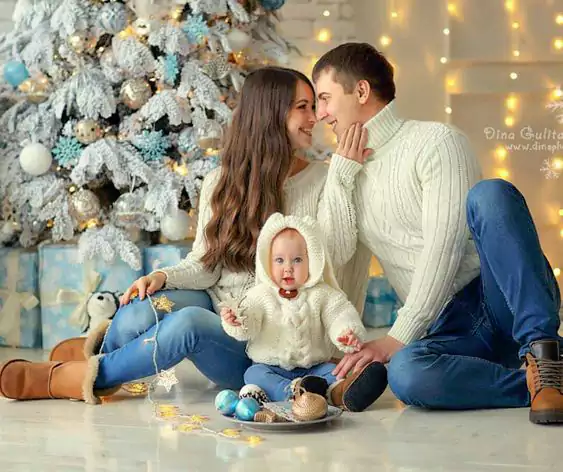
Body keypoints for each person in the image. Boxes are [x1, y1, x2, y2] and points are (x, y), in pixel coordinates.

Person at [0, 66, 374, 405]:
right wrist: (163, 277)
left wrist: (342, 173)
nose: (314, 118)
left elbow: (336, 256)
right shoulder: (221, 182)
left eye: (313, 106)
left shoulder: (325, 180)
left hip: (260, 346)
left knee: (188, 323)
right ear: (271, 114)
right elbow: (207, 265)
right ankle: (104, 362)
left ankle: (70, 377)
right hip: (219, 303)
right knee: (137, 311)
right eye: (302, 107)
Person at [311, 42, 563, 425]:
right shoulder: (349, 171)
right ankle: (535, 384)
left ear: (361, 91)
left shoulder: (436, 142)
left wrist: (399, 334)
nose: (320, 114)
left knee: (490, 194)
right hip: (446, 328)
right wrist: (339, 175)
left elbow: (443, 247)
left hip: (498, 296)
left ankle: (544, 357)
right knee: (407, 375)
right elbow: (339, 255)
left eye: (325, 98)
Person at [220, 213, 388, 411]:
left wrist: (346, 332)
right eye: (280, 260)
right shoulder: (260, 294)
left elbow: (339, 314)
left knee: (333, 371)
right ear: (267, 262)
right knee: (253, 375)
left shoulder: (322, 294)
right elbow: (251, 318)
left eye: (297, 260)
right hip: (270, 367)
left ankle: (340, 392)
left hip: (314, 368)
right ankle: (293, 393)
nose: (288, 268)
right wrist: (238, 320)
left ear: (313, 261)